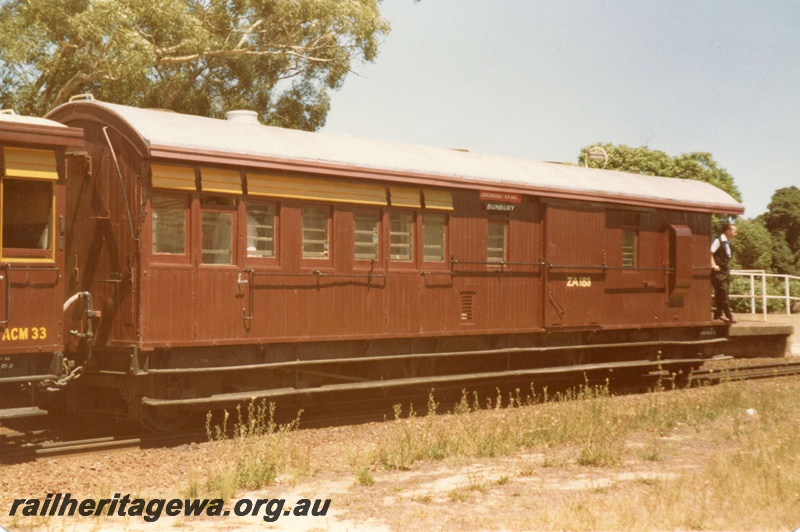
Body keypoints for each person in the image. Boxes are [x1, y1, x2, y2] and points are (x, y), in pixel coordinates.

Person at [710, 223, 738, 323]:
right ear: (728, 231)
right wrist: (713, 265)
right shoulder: (718, 241)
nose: (736, 233)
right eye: (735, 231)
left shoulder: (728, 242)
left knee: (721, 293)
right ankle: (729, 316)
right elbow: (710, 253)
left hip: (725, 271)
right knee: (723, 293)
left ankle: (718, 314)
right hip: (718, 271)